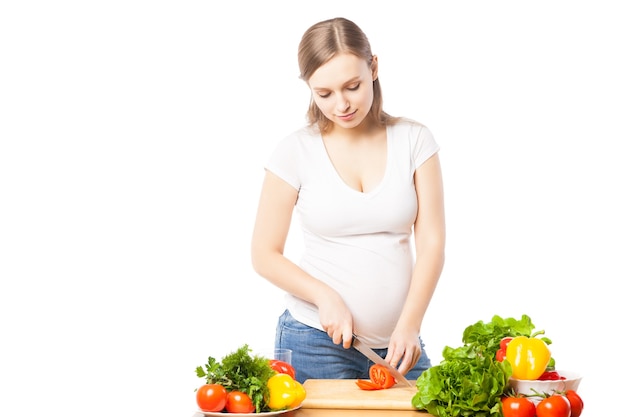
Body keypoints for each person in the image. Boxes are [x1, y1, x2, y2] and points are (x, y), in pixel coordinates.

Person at [251, 17, 445, 383]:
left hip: (400, 346)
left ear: (373, 67)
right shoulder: (294, 151)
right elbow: (264, 254)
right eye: (323, 93)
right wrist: (324, 296)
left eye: (352, 86)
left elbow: (432, 244)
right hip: (313, 339)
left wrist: (410, 324)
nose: (341, 104)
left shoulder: (414, 141)